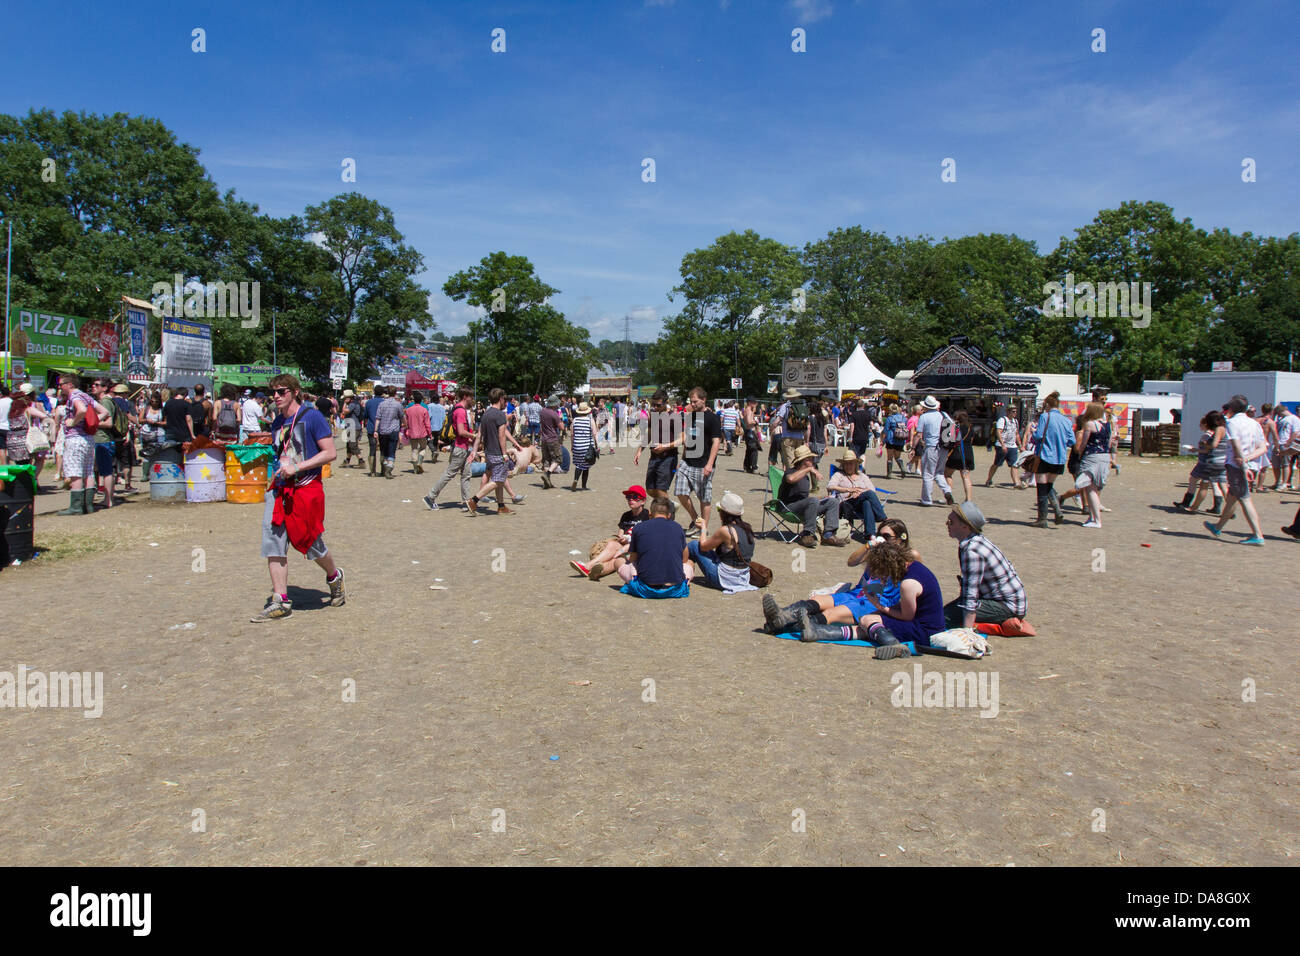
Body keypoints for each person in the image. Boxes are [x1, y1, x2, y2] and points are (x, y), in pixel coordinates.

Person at [251, 374, 345, 621]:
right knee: (273, 540)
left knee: (310, 542)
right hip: (281, 489)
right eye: (273, 392)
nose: (276, 396)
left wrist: (299, 467)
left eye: (281, 391)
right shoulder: (276, 423)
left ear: (294, 391)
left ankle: (334, 576)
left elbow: (330, 453)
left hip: (306, 488)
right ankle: (280, 600)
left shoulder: (312, 417)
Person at [943, 501, 1029, 630]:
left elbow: (970, 593)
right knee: (947, 613)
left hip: (1007, 606)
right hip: (1008, 600)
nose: (947, 524)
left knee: (944, 618)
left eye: (951, 522)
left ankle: (1004, 622)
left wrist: (967, 633)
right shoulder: (975, 541)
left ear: (965, 527)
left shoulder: (972, 551)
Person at [1203, 394, 1268, 546]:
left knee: (1245, 499)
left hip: (1237, 466)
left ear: (1231, 408)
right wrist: (1249, 459)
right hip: (1250, 465)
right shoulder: (1254, 424)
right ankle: (1218, 527)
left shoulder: (1232, 423)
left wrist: (1243, 461)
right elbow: (1263, 447)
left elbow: (1236, 445)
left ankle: (1258, 535)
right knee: (1232, 496)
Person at [615, 497, 692, 598]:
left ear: (650, 513)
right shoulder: (678, 527)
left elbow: (633, 558)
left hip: (645, 588)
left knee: (618, 561)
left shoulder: (639, 528)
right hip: (673, 588)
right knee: (690, 563)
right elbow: (684, 559)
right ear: (669, 515)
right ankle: (686, 581)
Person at [55, 375, 110, 516]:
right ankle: (89, 506)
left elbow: (82, 410)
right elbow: (105, 412)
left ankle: (76, 507)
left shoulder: (74, 397)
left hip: (75, 438)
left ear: (69, 385)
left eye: (61, 384)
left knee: (75, 472)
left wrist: (73, 422)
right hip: (88, 439)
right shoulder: (86, 396)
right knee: (88, 472)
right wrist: (91, 423)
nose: (60, 387)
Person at [572, 484, 652, 580]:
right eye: (628, 497)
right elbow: (620, 534)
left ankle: (588, 566)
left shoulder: (648, 516)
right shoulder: (626, 515)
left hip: (636, 550)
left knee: (615, 550)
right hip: (623, 548)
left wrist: (627, 545)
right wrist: (622, 540)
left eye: (635, 497)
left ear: (643, 501)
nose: (631, 499)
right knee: (616, 558)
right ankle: (597, 572)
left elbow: (648, 537)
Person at [673, 386, 723, 537]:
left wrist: (709, 464)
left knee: (704, 498)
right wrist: (682, 459)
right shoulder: (691, 416)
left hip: (704, 464)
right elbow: (688, 439)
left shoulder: (712, 418)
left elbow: (716, 442)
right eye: (691, 401)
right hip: (687, 462)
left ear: (704, 400)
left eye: (695, 401)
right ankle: (696, 519)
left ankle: (703, 528)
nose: (692, 404)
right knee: (680, 492)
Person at [467, 387, 524, 514]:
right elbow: (502, 436)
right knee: (497, 480)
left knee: (500, 478)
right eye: (505, 399)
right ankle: (474, 500)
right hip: (497, 452)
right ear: (501, 399)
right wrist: (504, 454)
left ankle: (501, 506)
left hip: (488, 452)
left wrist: (474, 451)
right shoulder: (500, 415)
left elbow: (479, 435)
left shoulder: (486, 414)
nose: (506, 402)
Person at [687, 491, 757, 592]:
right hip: (742, 577)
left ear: (724, 513)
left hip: (725, 579)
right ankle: (686, 571)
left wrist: (703, 527)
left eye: (719, 510)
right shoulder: (747, 528)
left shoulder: (726, 530)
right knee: (701, 550)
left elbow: (703, 546)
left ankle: (681, 573)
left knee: (693, 545)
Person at [778, 444, 843, 548]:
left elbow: (806, 500)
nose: (813, 461)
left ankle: (828, 535)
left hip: (803, 507)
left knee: (833, 502)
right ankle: (807, 534)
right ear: (803, 460)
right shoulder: (791, 471)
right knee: (812, 501)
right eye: (810, 459)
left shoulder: (806, 478)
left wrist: (822, 498)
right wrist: (809, 470)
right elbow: (790, 479)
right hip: (788, 507)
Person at [424, 387, 476, 510]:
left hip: (463, 447)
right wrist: (474, 435)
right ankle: (430, 497)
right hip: (460, 448)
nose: (472, 400)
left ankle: (466, 502)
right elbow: (461, 431)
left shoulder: (459, 409)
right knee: (450, 473)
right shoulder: (461, 411)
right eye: (471, 397)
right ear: (465, 397)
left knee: (466, 475)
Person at [1030, 391, 1074, 528]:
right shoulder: (1066, 420)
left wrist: (1033, 431)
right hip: (1060, 458)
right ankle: (1057, 511)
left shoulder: (1045, 417)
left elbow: (1039, 436)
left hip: (1045, 455)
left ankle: (1043, 519)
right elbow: (1071, 441)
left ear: (1047, 405)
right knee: (1049, 486)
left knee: (1042, 488)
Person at [826, 447, 887, 540]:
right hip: (846, 504)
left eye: (851, 463)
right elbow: (830, 486)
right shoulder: (839, 475)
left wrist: (859, 492)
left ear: (855, 464)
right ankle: (883, 519)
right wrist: (848, 490)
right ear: (842, 464)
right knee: (869, 495)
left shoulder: (862, 475)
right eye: (846, 464)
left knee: (867, 503)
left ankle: (870, 535)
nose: (848, 466)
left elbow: (872, 489)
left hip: (860, 504)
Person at [1068, 403, 1112, 528]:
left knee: (1090, 488)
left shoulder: (1090, 424)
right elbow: (1109, 443)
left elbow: (1083, 443)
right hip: (1104, 457)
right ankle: (1092, 517)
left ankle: (1097, 520)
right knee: (1095, 488)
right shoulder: (1107, 425)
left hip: (1092, 457)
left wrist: (1080, 454)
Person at [1175, 411, 1228, 514]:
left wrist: (1205, 445)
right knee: (1222, 486)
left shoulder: (1218, 429)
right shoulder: (1225, 429)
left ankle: (1194, 507)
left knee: (1204, 486)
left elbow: (1214, 445)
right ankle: (1230, 509)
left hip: (1213, 462)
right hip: (1222, 462)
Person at [634, 389, 679, 501]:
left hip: (668, 457)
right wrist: (639, 451)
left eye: (658, 405)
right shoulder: (653, 415)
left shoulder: (674, 417)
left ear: (666, 402)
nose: (654, 407)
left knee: (660, 489)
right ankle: (668, 506)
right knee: (650, 489)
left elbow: (681, 439)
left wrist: (665, 446)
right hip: (654, 457)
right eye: (653, 404)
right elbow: (648, 435)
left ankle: (667, 512)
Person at [915, 396, 955, 507]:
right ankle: (947, 491)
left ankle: (926, 499)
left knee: (928, 474)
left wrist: (913, 447)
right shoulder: (943, 415)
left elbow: (919, 434)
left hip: (931, 446)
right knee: (939, 473)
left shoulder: (924, 417)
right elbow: (952, 428)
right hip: (944, 447)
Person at [984, 402, 1021, 487]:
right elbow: (998, 432)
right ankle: (989, 479)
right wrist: (1003, 444)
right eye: (1013, 411)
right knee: (996, 464)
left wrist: (1020, 445)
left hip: (1012, 446)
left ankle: (1016, 483)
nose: (1015, 413)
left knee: (1014, 465)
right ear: (1008, 412)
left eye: (1015, 411)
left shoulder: (1015, 421)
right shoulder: (1002, 420)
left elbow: (1017, 434)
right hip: (1002, 446)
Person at [943, 409, 975, 502]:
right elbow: (972, 440)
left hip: (956, 453)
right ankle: (968, 499)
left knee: (947, 474)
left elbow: (950, 441)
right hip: (968, 453)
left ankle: (949, 495)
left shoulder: (954, 427)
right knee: (966, 477)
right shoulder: (970, 428)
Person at [374, 386, 404, 479]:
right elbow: (402, 417)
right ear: (395, 393)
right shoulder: (398, 405)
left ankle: (385, 467)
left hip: (383, 430)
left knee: (384, 451)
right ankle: (388, 470)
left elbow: (378, 418)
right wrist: (406, 425)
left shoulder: (382, 404)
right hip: (393, 430)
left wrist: (375, 430)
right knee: (392, 451)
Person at [537, 396, 565, 488]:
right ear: (554, 404)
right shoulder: (554, 414)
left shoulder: (542, 412)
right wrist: (561, 418)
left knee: (546, 461)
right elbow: (562, 427)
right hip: (552, 439)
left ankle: (547, 483)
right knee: (558, 459)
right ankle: (547, 474)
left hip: (544, 439)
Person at [569, 400, 597, 492]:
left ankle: (575, 479)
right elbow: (595, 434)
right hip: (587, 447)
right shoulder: (590, 420)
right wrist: (597, 446)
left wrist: (572, 445)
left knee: (578, 464)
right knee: (586, 466)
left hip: (577, 445)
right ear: (588, 411)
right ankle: (583, 486)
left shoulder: (575, 420)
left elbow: (572, 434)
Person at [404, 390, 432, 474]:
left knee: (414, 449)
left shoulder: (408, 410)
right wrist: (429, 434)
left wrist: (406, 430)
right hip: (422, 433)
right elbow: (427, 424)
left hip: (412, 432)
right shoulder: (424, 410)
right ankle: (420, 462)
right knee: (423, 448)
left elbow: (406, 422)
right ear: (421, 400)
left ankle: (415, 468)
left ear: (414, 400)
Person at [363, 387, 384, 476]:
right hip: (383, 429)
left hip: (371, 428)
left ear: (374, 392)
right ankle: (383, 470)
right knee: (383, 450)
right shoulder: (384, 402)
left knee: (372, 449)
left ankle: (372, 471)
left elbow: (365, 416)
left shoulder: (369, 402)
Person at [339, 390, 362, 467]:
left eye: (345, 398)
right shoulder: (353, 403)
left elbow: (344, 411)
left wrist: (345, 404)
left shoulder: (352, 404)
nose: (344, 400)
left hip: (354, 427)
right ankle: (347, 461)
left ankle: (361, 460)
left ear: (349, 398)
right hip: (351, 426)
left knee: (352, 445)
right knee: (349, 445)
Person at [741, 398, 762, 474]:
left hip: (747, 431)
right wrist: (755, 422)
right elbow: (749, 422)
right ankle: (754, 467)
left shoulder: (746, 410)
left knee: (749, 450)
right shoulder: (749, 411)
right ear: (750, 403)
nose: (755, 404)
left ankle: (746, 466)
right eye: (754, 403)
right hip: (750, 431)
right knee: (754, 450)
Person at [426, 394, 448, 464]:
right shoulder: (442, 407)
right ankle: (434, 456)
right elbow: (444, 418)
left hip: (432, 426)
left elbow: (428, 416)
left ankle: (434, 451)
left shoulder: (429, 406)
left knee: (428, 440)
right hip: (440, 427)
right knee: (435, 440)